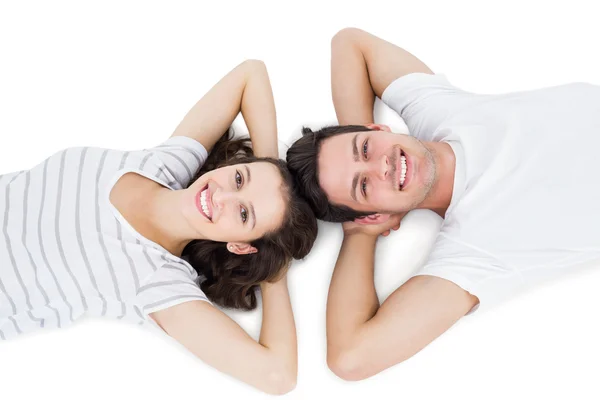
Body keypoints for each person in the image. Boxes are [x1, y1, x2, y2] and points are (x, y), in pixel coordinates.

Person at [287, 28, 600, 381]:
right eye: (363, 186)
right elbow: (350, 358)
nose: (382, 166)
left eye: (364, 148)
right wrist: (361, 232)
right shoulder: (471, 252)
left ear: (377, 129)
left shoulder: (439, 112)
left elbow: (349, 43)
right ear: (375, 213)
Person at [0, 60, 317, 395]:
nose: (222, 195)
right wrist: (268, 168)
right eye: (239, 178)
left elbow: (278, 376)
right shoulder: (166, 163)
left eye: (243, 215)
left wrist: (272, 267)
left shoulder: (159, 282)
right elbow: (251, 74)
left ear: (240, 245)